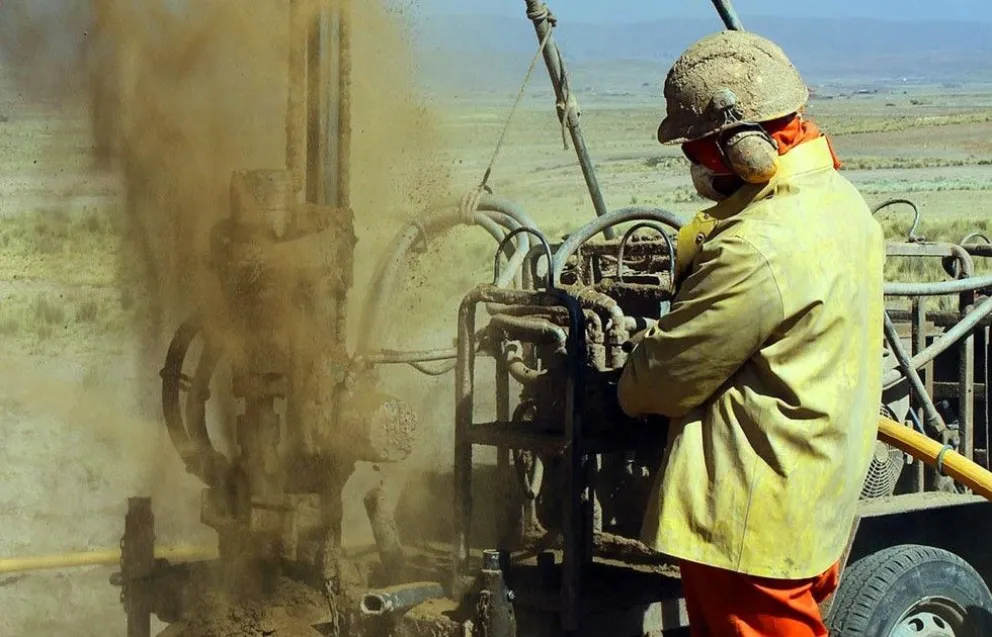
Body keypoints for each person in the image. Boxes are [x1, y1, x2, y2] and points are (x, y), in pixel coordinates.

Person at [617, 30, 886, 637]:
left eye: (697, 150)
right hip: (813, 493)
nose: (696, 166)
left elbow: (661, 382)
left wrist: (625, 377)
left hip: (751, 518)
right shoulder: (843, 204)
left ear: (738, 149)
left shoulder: (757, 245)